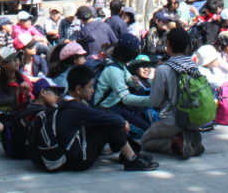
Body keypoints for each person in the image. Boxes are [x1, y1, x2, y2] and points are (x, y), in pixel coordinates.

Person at [28, 64, 157, 172]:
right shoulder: (77, 109)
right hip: (77, 160)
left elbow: (100, 114)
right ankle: (131, 158)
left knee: (104, 113)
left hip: (67, 154)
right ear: (78, 89)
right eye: (90, 87)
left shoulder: (64, 102)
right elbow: (113, 120)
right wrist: (123, 123)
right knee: (111, 122)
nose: (92, 90)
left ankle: (127, 154)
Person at [141, 27, 204, 159]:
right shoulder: (195, 68)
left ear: (168, 44)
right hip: (195, 117)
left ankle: (178, 143)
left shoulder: (164, 69)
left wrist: (153, 80)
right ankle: (188, 136)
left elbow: (155, 101)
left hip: (173, 120)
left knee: (145, 141)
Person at [94, 34, 153, 135]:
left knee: (143, 125)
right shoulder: (113, 70)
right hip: (106, 108)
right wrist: (152, 100)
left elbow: (127, 78)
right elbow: (126, 98)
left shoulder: (119, 64)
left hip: (115, 105)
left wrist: (132, 82)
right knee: (144, 129)